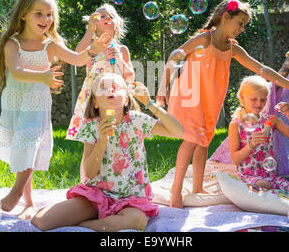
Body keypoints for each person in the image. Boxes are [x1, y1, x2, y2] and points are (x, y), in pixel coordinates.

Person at [156, 0, 289, 208]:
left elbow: (262, 69)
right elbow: (176, 55)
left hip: (211, 99)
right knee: (192, 139)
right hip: (191, 96)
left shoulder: (232, 48)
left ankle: (196, 187)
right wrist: (162, 85)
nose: (242, 29)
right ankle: (175, 192)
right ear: (226, 16)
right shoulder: (205, 39)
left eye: (244, 25)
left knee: (204, 140)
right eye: (240, 23)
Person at [0, 0, 110, 220]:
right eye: (39, 14)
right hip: (15, 102)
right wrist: (43, 76)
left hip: (37, 103)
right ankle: (29, 202)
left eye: (49, 14)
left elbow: (76, 59)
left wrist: (92, 51)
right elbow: (16, 70)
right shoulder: (12, 43)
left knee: (30, 144)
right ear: (23, 14)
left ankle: (15, 194)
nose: (46, 20)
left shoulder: (50, 44)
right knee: (21, 150)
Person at [31, 73, 184, 231]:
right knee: (41, 221)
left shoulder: (137, 121)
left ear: (125, 100)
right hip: (96, 196)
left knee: (138, 221)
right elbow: (89, 172)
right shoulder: (91, 127)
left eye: (116, 87)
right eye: (103, 87)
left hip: (130, 200)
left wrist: (150, 103)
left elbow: (178, 131)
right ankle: (99, 219)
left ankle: (84, 225)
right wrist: (102, 141)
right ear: (95, 102)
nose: (110, 89)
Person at [66, 3, 135, 182]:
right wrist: (89, 31)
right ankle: (85, 183)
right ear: (94, 23)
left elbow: (130, 77)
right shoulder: (92, 46)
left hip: (115, 99)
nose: (106, 19)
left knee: (117, 141)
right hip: (94, 99)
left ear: (117, 24)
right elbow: (76, 56)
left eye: (110, 16)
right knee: (90, 142)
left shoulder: (122, 50)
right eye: (101, 16)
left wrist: (119, 59)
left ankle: (114, 181)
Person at [229, 75, 289, 208]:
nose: (259, 104)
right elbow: (235, 159)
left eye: (263, 100)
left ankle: (280, 201)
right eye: (254, 99)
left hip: (272, 177)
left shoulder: (270, 121)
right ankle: (281, 202)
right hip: (249, 177)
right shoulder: (236, 125)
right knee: (262, 186)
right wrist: (250, 145)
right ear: (241, 97)